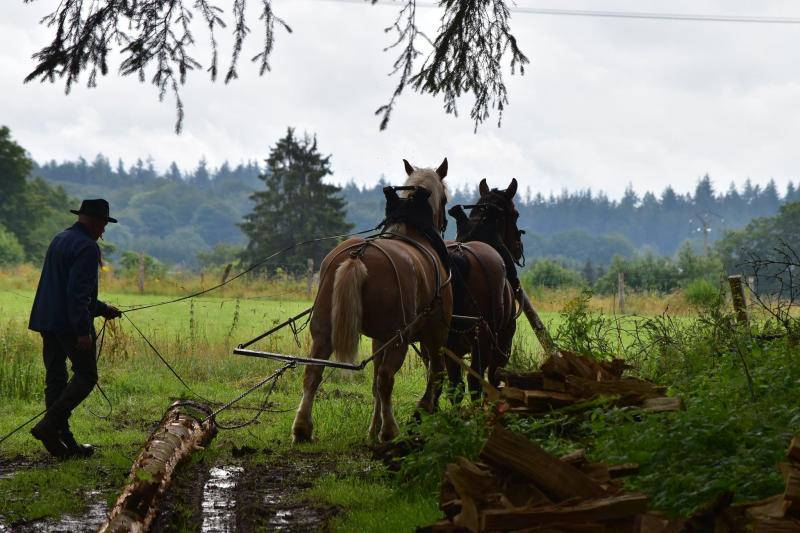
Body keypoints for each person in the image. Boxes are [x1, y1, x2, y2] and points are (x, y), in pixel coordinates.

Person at [28, 199, 122, 458]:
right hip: (70, 323)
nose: (103, 230)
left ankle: (62, 443)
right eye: (103, 223)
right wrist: (82, 331)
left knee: (56, 380)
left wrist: (102, 309)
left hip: (48, 320)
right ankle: (49, 427)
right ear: (93, 220)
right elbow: (77, 295)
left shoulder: (60, 238)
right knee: (86, 375)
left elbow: (66, 288)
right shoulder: (87, 247)